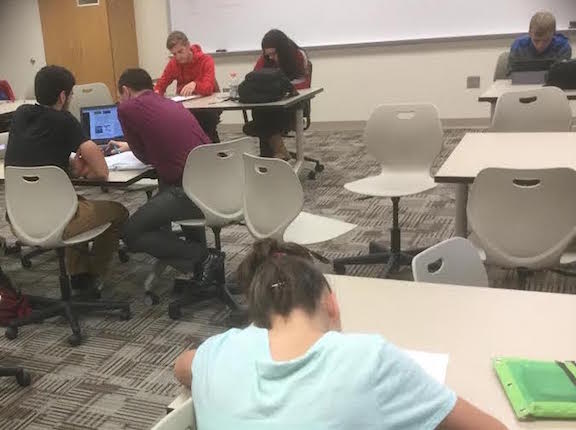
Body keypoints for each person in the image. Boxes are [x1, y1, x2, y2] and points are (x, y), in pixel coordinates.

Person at [173, 239, 507, 429]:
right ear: (331, 303)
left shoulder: (218, 351)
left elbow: (183, 366)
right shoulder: (369, 360)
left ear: (259, 317)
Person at [5, 65, 129, 293]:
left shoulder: (21, 115)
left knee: (78, 203)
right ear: (63, 96)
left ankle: (79, 274)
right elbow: (101, 172)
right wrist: (85, 166)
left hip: (18, 219)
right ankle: (92, 276)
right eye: (71, 94)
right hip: (57, 218)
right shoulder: (64, 120)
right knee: (117, 211)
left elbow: (40, 151)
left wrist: (73, 164)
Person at [113, 68, 221, 286]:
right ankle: (202, 269)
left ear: (125, 90)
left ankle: (204, 259)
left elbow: (142, 155)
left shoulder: (127, 108)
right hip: (216, 184)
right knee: (167, 185)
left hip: (188, 192)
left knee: (132, 232)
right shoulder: (171, 103)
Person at [243, 29, 311, 160]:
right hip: (270, 107)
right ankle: (278, 153)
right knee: (261, 114)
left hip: (293, 107)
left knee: (259, 122)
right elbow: (254, 78)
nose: (270, 58)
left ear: (283, 49)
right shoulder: (265, 58)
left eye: (274, 54)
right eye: (267, 55)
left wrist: (280, 87)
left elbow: (303, 85)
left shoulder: (298, 55)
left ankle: (273, 156)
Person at [154, 31, 221, 143]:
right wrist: (155, 93)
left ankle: (211, 150)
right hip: (186, 106)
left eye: (180, 51)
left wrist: (195, 84)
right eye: (174, 54)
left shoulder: (206, 60)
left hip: (208, 106)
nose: (178, 57)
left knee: (204, 122)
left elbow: (208, 87)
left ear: (188, 46)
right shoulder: (173, 64)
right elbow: (162, 84)